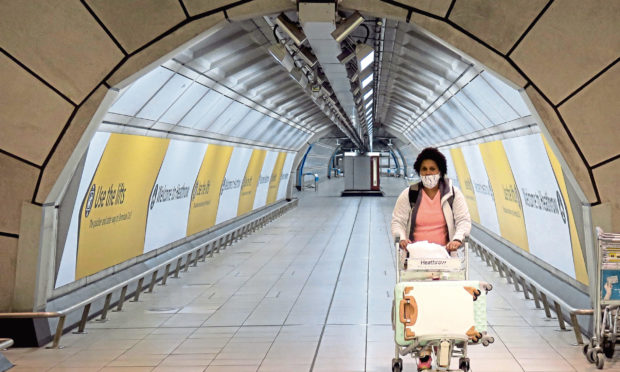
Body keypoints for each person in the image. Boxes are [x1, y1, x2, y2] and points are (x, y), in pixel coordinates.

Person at [391, 147, 471, 370]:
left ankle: (440, 345)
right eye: (424, 169)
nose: (428, 174)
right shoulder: (410, 194)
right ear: (419, 171)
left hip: (445, 259)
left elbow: (464, 220)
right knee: (420, 303)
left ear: (441, 171)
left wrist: (457, 238)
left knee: (442, 304)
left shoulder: (453, 195)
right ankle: (424, 350)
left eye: (432, 169)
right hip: (416, 259)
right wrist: (403, 238)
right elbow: (397, 221)